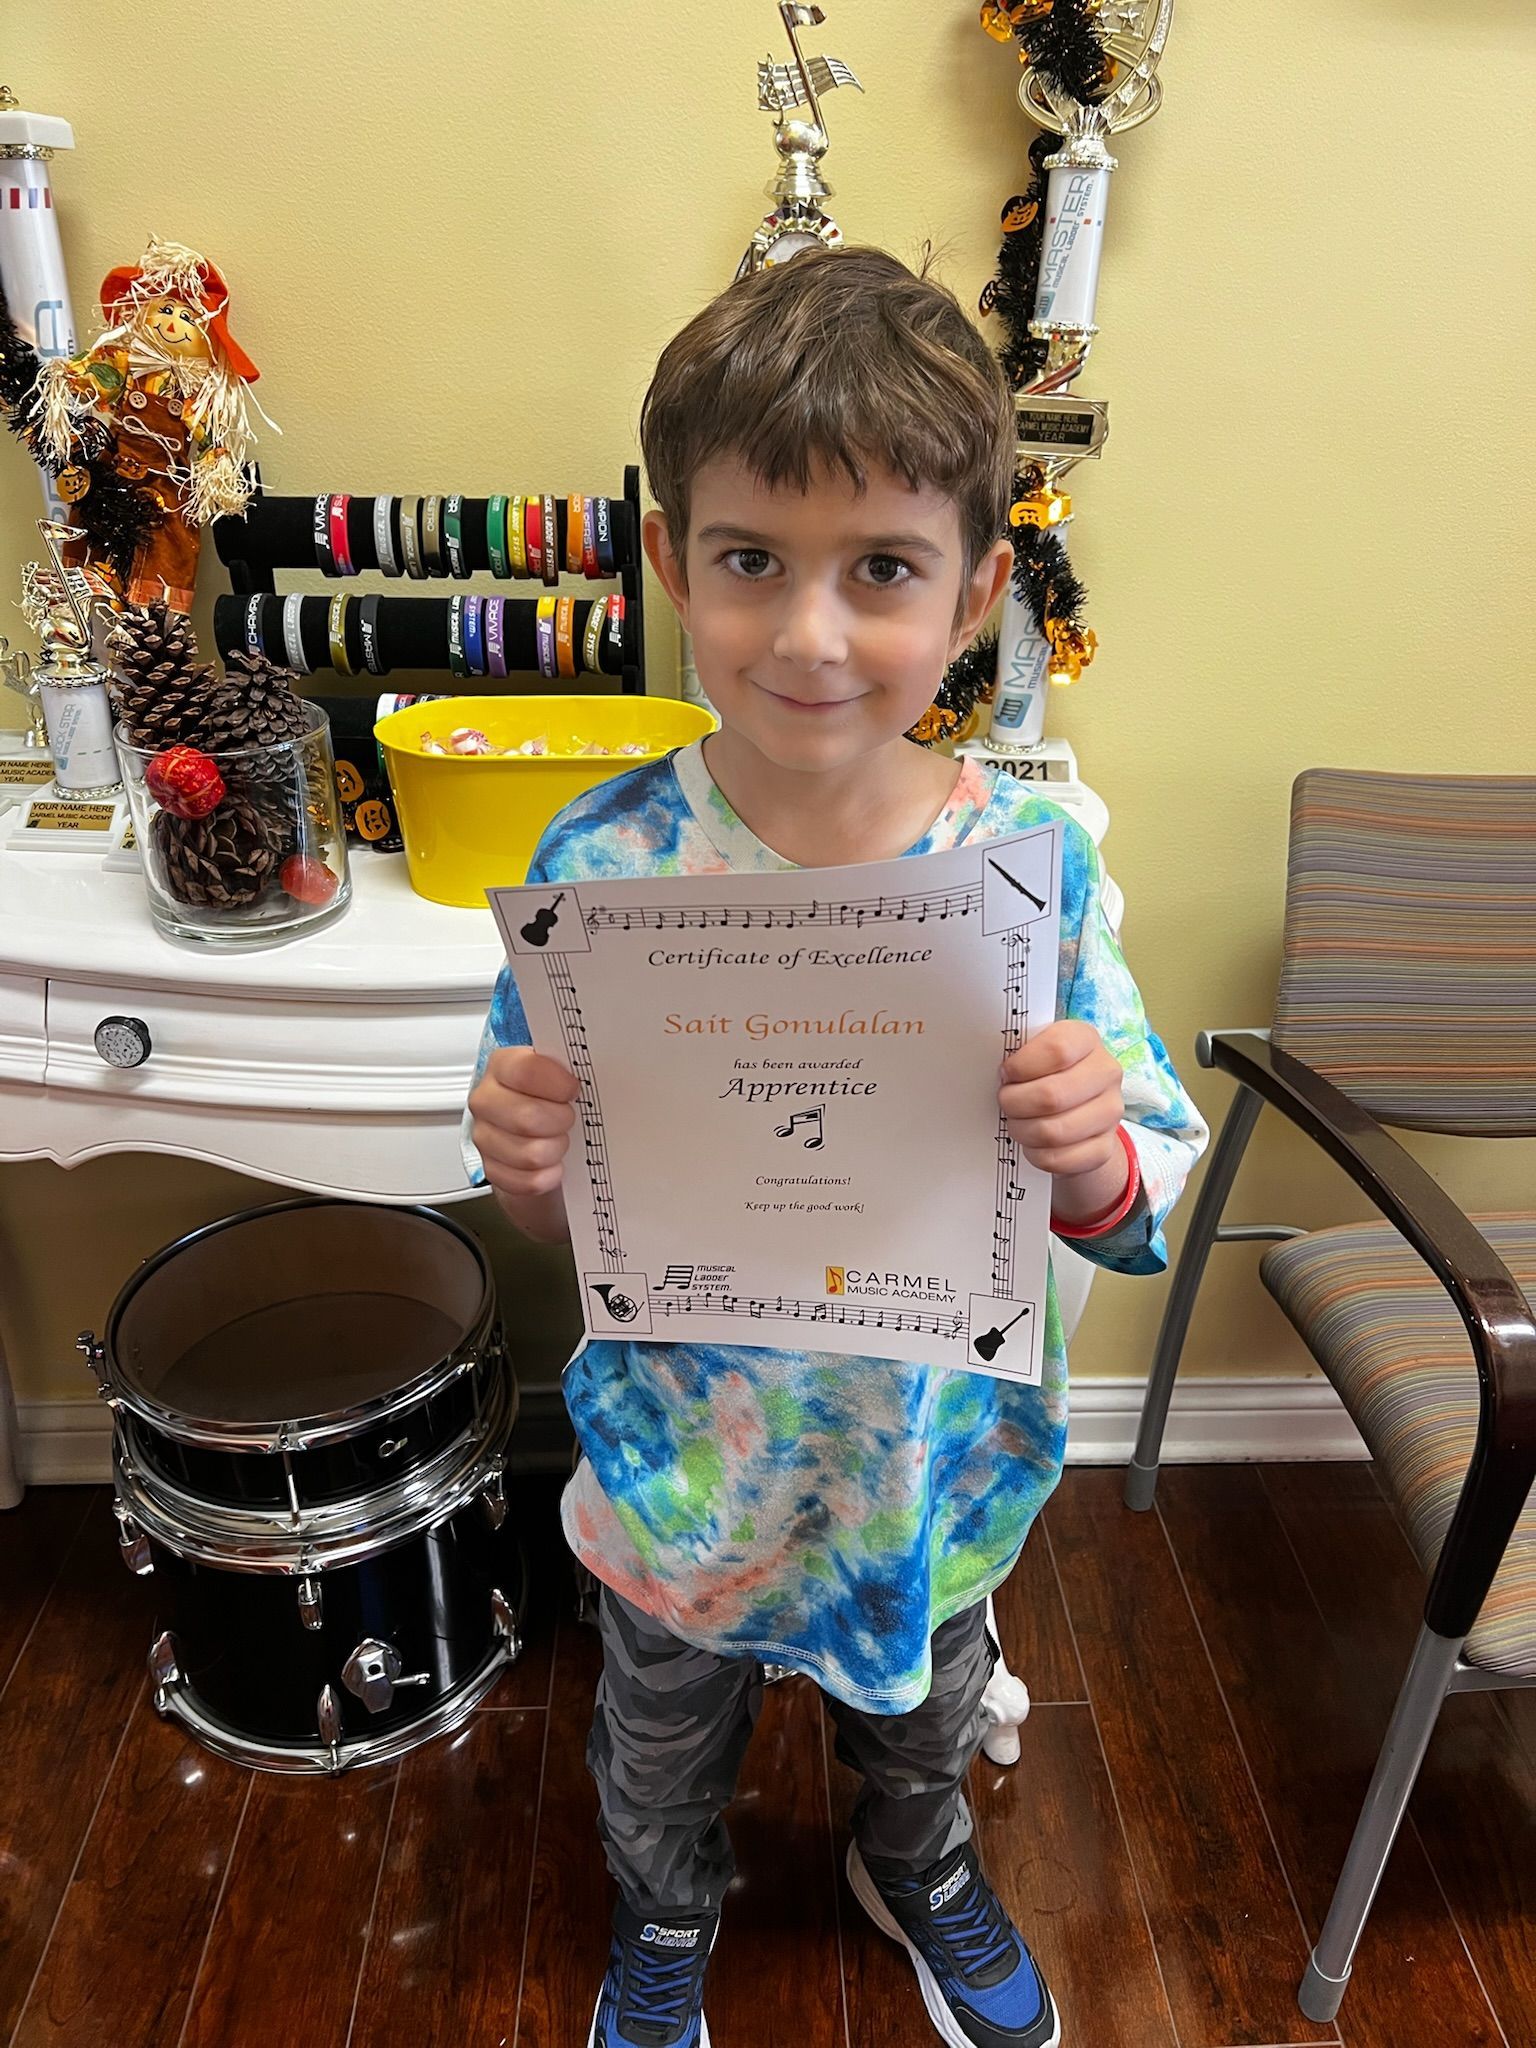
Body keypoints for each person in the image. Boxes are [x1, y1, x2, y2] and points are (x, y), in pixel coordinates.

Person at [464, 245, 1208, 2048]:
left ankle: (922, 1869)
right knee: (657, 1739)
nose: (809, 634)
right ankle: (664, 1919)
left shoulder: (1025, 879)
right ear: (671, 568)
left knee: (924, 1717)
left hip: (922, 1459)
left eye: (880, 569)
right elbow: (555, 1174)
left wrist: (1089, 1149)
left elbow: (1130, 1188)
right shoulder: (606, 864)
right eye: (751, 562)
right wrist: (517, 1156)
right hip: (682, 1470)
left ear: (974, 598)